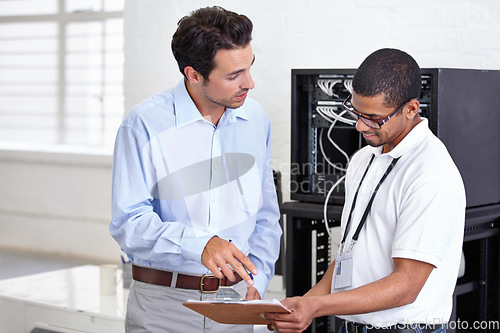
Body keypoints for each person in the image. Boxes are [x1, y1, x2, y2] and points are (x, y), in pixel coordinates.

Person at [265, 48, 465, 333]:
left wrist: (318, 307)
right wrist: (302, 305)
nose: (360, 126)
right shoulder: (364, 159)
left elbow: (406, 286)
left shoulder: (430, 174)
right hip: (356, 325)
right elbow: (352, 253)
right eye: (355, 112)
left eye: (373, 117)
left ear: (411, 109)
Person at [110, 6, 282, 332]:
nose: (250, 83)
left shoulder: (255, 119)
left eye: (249, 68)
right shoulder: (143, 125)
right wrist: (198, 243)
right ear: (194, 74)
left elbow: (266, 214)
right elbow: (127, 222)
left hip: (235, 302)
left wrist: (257, 277)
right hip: (163, 307)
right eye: (234, 75)